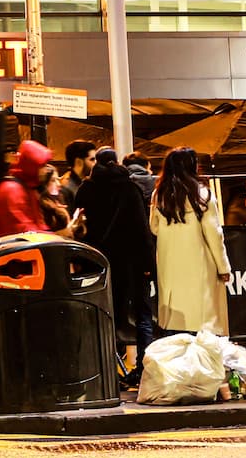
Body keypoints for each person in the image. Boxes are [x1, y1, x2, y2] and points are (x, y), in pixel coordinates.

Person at [79, 147, 155, 386]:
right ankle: (144, 368)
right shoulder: (128, 188)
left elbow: (79, 219)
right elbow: (141, 230)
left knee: (104, 317)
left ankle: (106, 371)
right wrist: (148, 264)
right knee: (143, 314)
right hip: (130, 263)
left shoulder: (87, 188)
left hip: (98, 263)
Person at [150, 146, 229, 335]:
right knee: (204, 321)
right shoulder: (203, 195)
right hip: (200, 264)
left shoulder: (159, 195)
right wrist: (223, 267)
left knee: (175, 321)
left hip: (169, 265)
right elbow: (214, 234)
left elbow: (154, 228)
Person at [0, 141, 82, 240]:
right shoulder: (12, 190)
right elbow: (23, 233)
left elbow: (36, 227)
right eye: (42, 166)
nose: (45, 170)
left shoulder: (27, 187)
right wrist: (60, 236)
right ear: (31, 166)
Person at [37, 163, 78, 236]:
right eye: (53, 180)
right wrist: (64, 231)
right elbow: (41, 236)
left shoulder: (60, 197)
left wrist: (76, 224)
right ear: (43, 184)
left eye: (58, 179)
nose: (58, 184)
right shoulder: (39, 206)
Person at [60, 140, 95, 210]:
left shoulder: (86, 183)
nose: (96, 163)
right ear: (79, 162)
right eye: (92, 159)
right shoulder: (67, 189)